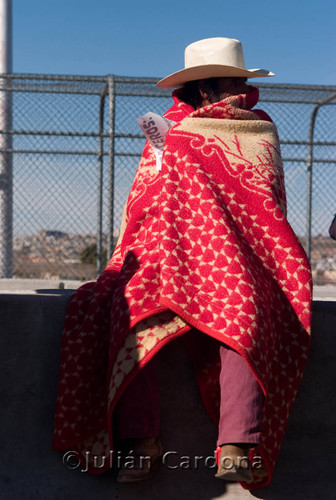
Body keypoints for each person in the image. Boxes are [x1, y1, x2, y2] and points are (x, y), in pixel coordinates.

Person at [53, 38, 312, 490]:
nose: (238, 90)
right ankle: (141, 441)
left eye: (241, 81)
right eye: (228, 82)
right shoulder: (168, 128)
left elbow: (262, 204)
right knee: (129, 312)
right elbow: (145, 202)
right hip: (167, 253)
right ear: (202, 88)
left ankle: (238, 444)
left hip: (241, 255)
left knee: (244, 311)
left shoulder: (259, 129)